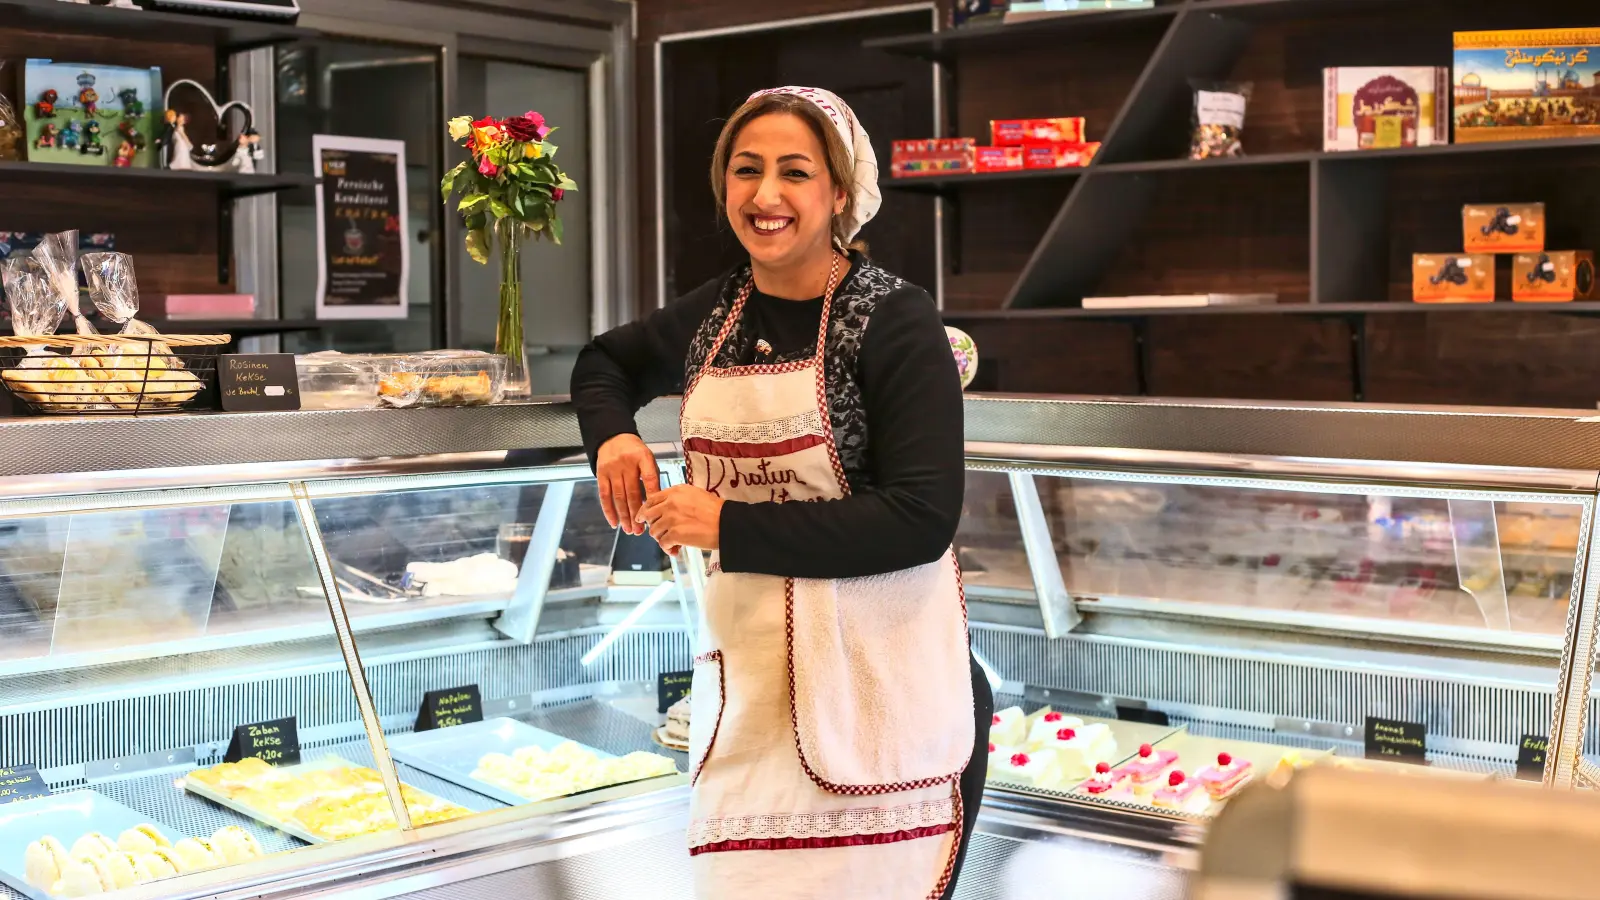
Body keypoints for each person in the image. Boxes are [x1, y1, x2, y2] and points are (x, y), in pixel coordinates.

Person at [571, 86, 992, 900]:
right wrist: (614, 436)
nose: (764, 197)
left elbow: (921, 518)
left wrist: (727, 525)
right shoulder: (716, 314)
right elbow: (604, 361)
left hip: (885, 702)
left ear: (840, 193)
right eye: (745, 171)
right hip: (756, 698)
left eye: (793, 173)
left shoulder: (895, 320)